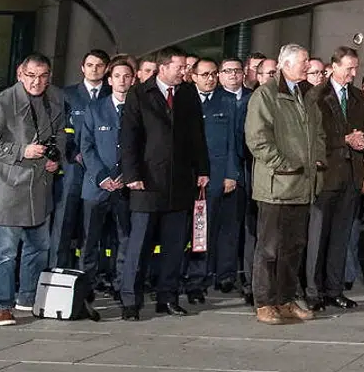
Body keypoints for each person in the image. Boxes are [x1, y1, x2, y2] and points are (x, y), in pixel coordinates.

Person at [118, 46, 209, 320]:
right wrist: (132, 176)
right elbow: (129, 139)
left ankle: (167, 297)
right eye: (180, 67)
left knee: (174, 244)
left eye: (185, 67)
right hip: (148, 182)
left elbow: (197, 135)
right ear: (163, 67)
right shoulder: (139, 93)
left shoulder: (188, 94)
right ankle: (130, 301)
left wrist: (202, 169)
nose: (185, 72)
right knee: (140, 243)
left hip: (180, 180)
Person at [245, 44, 324, 326]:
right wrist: (285, 164)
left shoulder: (305, 95)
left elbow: (318, 133)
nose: (307, 66)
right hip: (277, 186)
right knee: (269, 248)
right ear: (286, 64)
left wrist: (318, 160)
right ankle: (265, 303)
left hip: (302, 186)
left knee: (294, 246)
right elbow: (257, 139)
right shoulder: (266, 95)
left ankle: (286, 299)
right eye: (303, 62)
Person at [0, 54, 66, 326]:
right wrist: (21, 151)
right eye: (32, 75)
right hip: (9, 188)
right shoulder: (1, 104)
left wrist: (57, 158)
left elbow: (62, 133)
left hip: (40, 186)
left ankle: (28, 296)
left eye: (43, 76)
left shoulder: (54, 99)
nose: (37, 81)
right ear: (20, 73)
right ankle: (1, 305)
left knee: (39, 246)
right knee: (6, 252)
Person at [307, 45, 364, 311]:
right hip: (326, 175)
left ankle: (334, 289)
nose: (353, 73)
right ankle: (313, 291)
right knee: (317, 236)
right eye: (349, 68)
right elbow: (314, 135)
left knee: (340, 236)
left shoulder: (357, 96)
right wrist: (344, 139)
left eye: (355, 68)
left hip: (351, 175)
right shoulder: (317, 95)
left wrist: (363, 141)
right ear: (333, 66)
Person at [183, 57, 244, 304]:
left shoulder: (227, 102)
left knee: (214, 229)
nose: (209, 79)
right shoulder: (184, 100)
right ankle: (187, 278)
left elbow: (233, 142)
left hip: (218, 175)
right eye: (204, 74)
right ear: (193, 76)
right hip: (189, 176)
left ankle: (211, 278)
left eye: (212, 74)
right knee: (190, 231)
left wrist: (231, 173)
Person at [79, 56, 135, 302]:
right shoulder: (95, 109)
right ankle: (86, 288)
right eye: (117, 76)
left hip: (126, 186)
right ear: (109, 79)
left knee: (125, 238)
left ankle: (122, 286)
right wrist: (102, 177)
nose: (122, 81)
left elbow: (141, 146)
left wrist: (126, 175)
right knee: (90, 239)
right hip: (96, 187)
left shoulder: (138, 109)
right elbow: (86, 146)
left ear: (133, 80)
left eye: (126, 76)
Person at [52, 48, 110, 272]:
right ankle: (57, 274)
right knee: (64, 223)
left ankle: (88, 278)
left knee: (92, 228)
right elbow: (60, 130)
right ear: (82, 68)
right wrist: (74, 152)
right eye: (90, 65)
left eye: (99, 65)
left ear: (105, 69)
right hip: (73, 167)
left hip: (101, 170)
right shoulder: (66, 95)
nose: (94, 69)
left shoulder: (111, 94)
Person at [214, 56, 250, 293]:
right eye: (227, 71)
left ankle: (230, 275)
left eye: (237, 71)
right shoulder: (213, 99)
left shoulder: (252, 97)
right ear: (219, 75)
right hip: (219, 170)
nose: (233, 75)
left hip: (247, 169)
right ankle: (210, 272)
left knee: (236, 227)